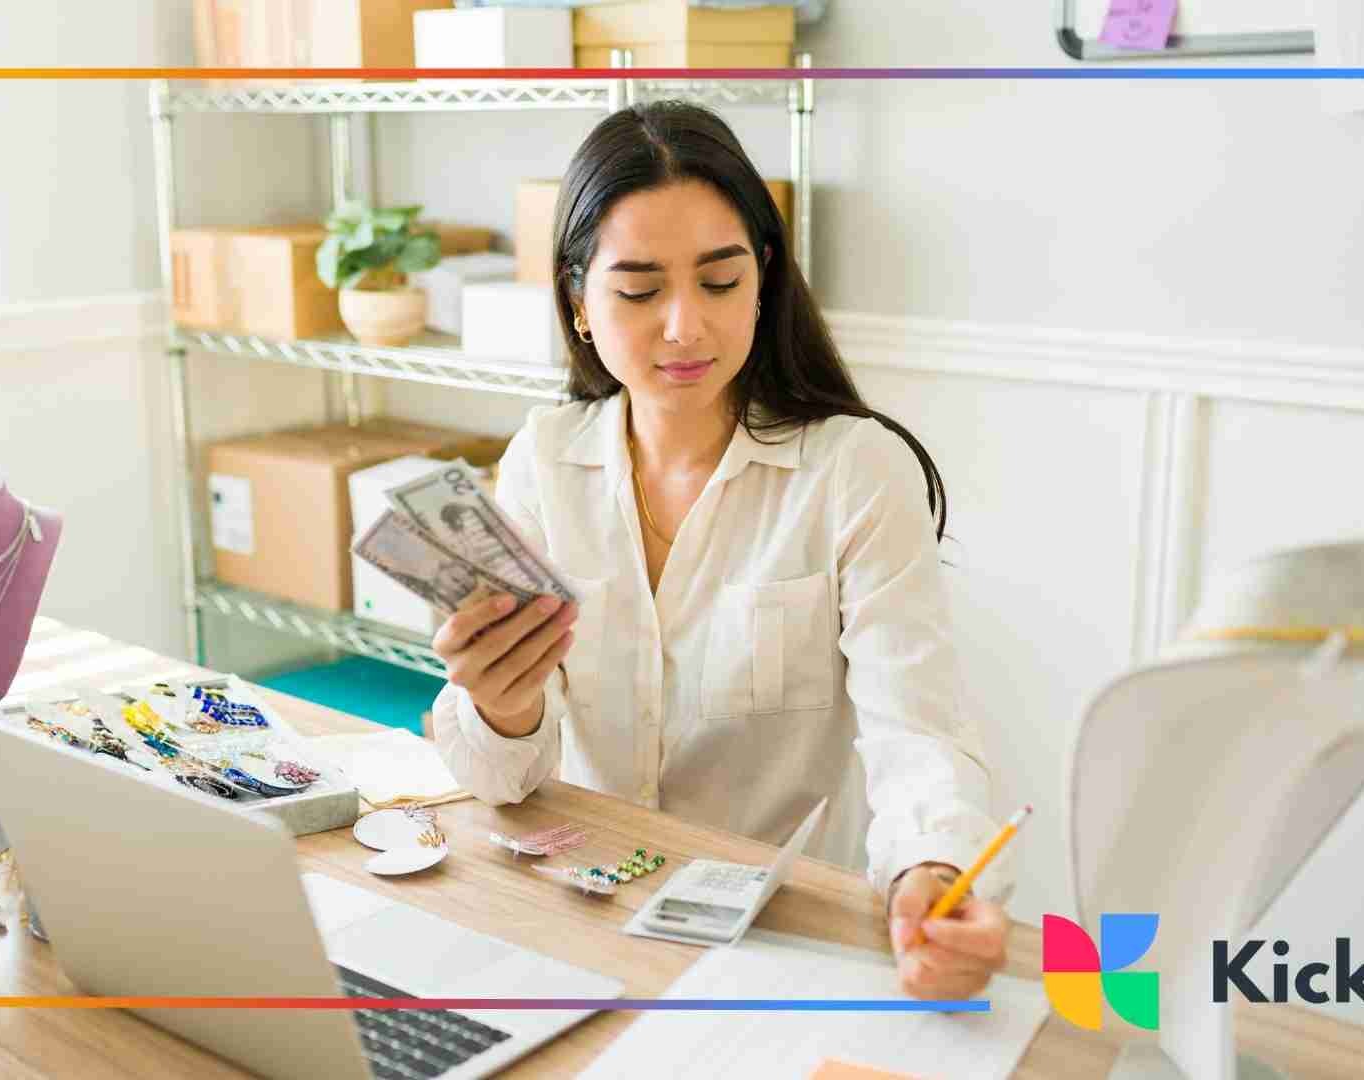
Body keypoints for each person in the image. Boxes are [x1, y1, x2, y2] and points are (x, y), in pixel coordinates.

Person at [428, 101, 1011, 1000]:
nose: (685, 328)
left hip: (776, 941)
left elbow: (919, 732)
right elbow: (500, 783)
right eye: (639, 289)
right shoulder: (543, 460)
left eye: (719, 281)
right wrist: (502, 711)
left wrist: (932, 869)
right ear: (579, 303)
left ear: (765, 280)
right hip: (582, 916)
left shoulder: (854, 470)